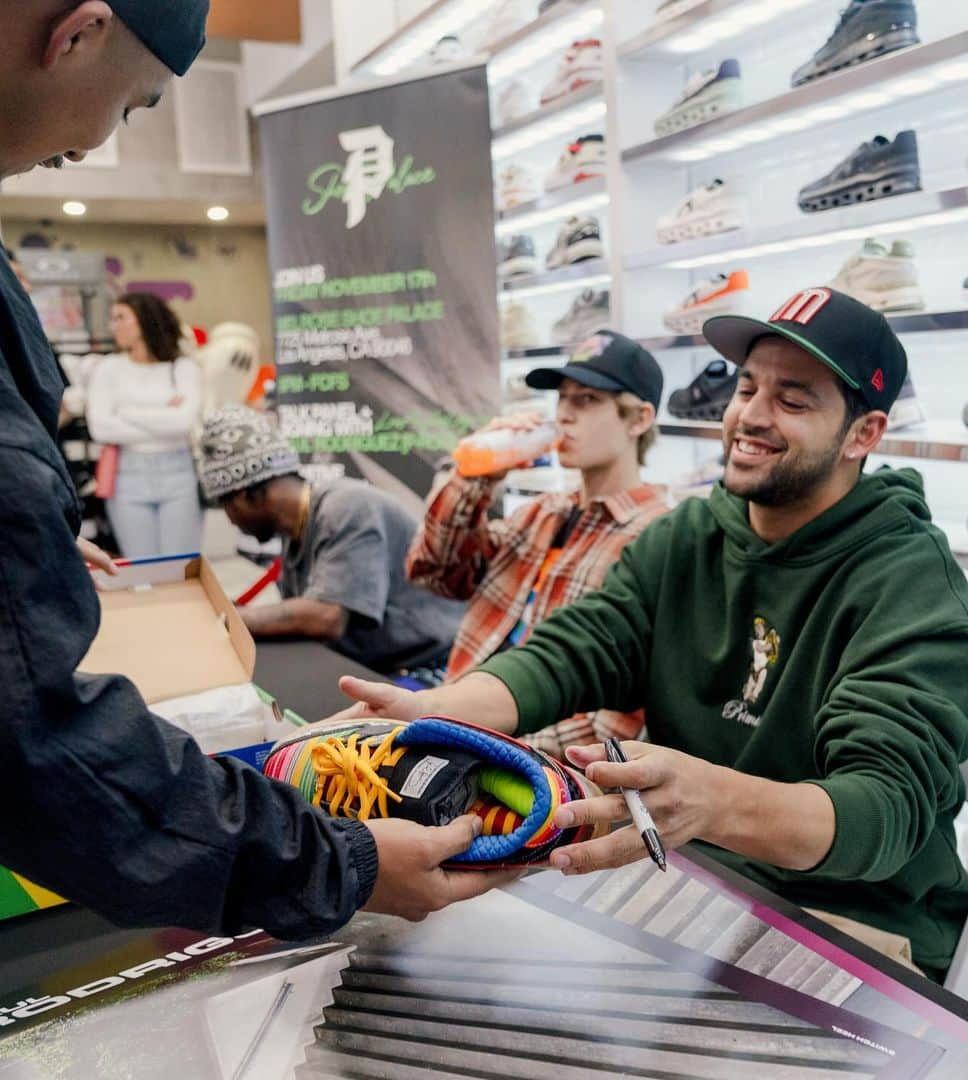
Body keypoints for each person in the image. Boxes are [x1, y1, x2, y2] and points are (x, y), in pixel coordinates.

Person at [0, 0, 511, 940]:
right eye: (136, 107)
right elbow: (12, 715)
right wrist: (332, 862)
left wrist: (3, 567)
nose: (94, 146)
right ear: (78, 34)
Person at [336, 288, 968, 980]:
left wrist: (712, 802)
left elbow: (883, 810)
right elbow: (574, 651)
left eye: (792, 400)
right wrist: (432, 713)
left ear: (864, 433)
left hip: (852, 929)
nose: (749, 417)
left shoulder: (912, 582)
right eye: (746, 387)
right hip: (687, 887)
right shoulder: (686, 538)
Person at [407, 333, 671, 757]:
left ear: (638, 419)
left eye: (586, 400)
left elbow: (618, 716)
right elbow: (435, 571)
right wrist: (476, 477)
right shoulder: (543, 513)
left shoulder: (657, 536)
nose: (564, 414)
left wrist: (481, 747)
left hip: (526, 766)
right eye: (563, 398)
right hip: (451, 726)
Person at [198, 406, 466, 674]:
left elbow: (327, 617)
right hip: (383, 664)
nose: (230, 519)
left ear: (248, 496)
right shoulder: (298, 533)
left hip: (435, 667)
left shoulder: (347, 507)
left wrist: (227, 618)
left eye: (226, 505)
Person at [86, 292, 205, 557]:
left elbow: (184, 422)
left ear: (144, 320)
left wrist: (126, 412)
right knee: (142, 567)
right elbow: (101, 428)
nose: (113, 325)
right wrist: (163, 412)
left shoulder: (183, 368)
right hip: (127, 475)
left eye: (121, 318)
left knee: (181, 565)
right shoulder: (109, 368)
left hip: (178, 472)